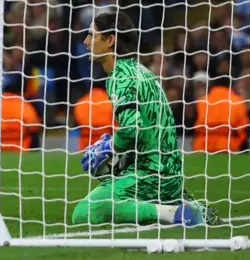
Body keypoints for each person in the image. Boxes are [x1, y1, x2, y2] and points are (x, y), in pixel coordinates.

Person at [72, 12, 221, 226]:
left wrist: (110, 146)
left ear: (111, 40)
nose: (85, 41)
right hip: (168, 173)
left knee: (85, 213)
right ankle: (179, 202)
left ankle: (173, 213)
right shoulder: (138, 70)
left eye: (91, 35)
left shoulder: (121, 77)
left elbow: (133, 128)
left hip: (151, 175)